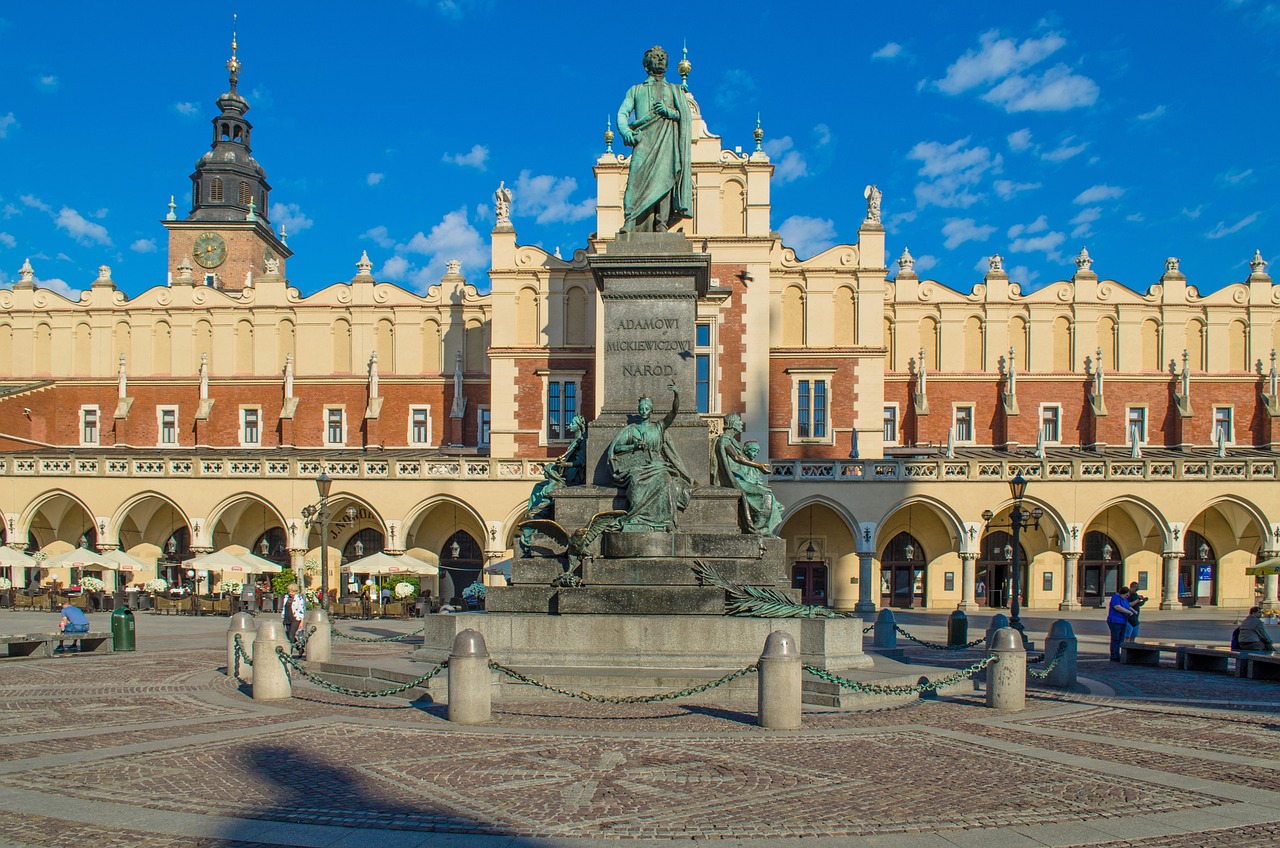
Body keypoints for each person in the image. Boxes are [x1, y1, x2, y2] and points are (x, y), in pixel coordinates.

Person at [615, 46, 692, 234]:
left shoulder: (675, 90)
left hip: (667, 142)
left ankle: (661, 224)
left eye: (663, 57)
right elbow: (622, 113)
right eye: (655, 57)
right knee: (635, 181)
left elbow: (684, 115)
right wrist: (625, 131)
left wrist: (668, 112)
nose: (660, 60)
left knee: (666, 180)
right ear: (647, 64)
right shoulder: (636, 90)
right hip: (644, 141)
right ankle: (630, 221)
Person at [608, 382, 693, 531]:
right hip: (637, 466)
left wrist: (677, 395)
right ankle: (636, 517)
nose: (644, 411)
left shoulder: (658, 427)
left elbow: (673, 413)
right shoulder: (631, 430)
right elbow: (617, 448)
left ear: (651, 410)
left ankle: (666, 521)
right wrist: (633, 446)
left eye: (647, 408)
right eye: (641, 408)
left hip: (657, 465)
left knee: (667, 480)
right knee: (635, 481)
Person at [1106, 585, 1134, 661]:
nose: (1127, 597)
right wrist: (1129, 612)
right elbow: (1117, 607)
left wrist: (1134, 611)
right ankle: (1114, 655)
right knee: (1115, 638)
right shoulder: (1116, 597)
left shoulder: (1124, 599)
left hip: (1123, 621)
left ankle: (1119, 654)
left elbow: (1127, 606)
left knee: (1121, 639)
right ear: (1122, 593)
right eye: (1126, 595)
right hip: (1115, 621)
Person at [281, 583, 305, 655]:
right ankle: (299, 648)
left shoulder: (299, 598)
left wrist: (301, 621)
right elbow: (284, 607)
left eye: (292, 592)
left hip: (295, 618)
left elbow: (301, 610)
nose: (290, 593)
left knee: (291, 635)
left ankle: (289, 652)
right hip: (287, 618)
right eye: (289, 591)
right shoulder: (286, 597)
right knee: (288, 635)